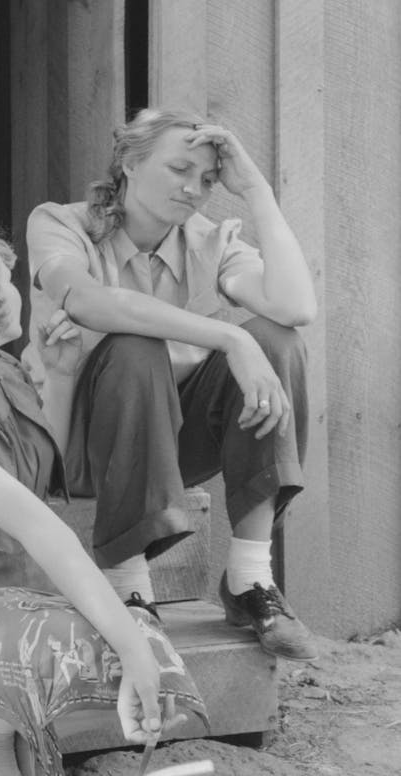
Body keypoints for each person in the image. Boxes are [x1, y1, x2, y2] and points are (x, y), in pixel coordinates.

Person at [0, 230, 207, 776]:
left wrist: (56, 370)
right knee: (124, 645)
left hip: (24, 614)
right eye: (4, 280)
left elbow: (43, 469)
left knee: (155, 653)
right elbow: (44, 530)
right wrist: (130, 647)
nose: (18, 287)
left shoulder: (2, 375)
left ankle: (11, 734)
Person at [24, 107, 319, 662]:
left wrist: (254, 188)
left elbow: (296, 306)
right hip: (74, 444)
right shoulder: (60, 223)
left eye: (207, 180)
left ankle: (251, 578)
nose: (193, 189)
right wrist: (232, 341)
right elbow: (91, 303)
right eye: (179, 169)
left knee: (277, 340)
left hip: (165, 448)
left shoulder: (208, 240)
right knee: (136, 346)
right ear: (130, 163)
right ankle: (129, 587)